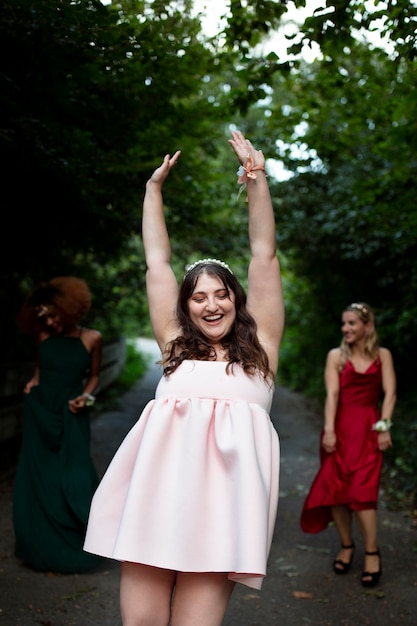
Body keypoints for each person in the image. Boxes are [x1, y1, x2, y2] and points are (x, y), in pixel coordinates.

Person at [84, 130, 285, 625]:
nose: (211, 304)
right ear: (186, 306)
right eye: (198, 296)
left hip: (221, 520)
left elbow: (264, 255)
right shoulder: (174, 346)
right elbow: (158, 262)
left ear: (237, 300)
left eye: (221, 294)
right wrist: (153, 191)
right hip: (154, 506)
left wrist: (256, 181)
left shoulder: (262, 351)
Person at [300, 302, 396, 588]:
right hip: (339, 430)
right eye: (344, 323)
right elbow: (332, 395)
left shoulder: (383, 355)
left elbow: (390, 393)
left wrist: (383, 427)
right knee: (337, 491)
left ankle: (372, 552)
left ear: (367, 326)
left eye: (352, 323)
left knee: (364, 494)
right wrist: (329, 430)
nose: (346, 329)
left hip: (369, 429)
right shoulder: (336, 356)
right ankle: (346, 545)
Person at [13, 276, 103, 573]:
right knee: (39, 475)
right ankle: (41, 544)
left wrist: (86, 397)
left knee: (74, 473)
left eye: (54, 315)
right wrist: (33, 383)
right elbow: (41, 370)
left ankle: (84, 536)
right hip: (41, 412)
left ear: (70, 309)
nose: (50, 322)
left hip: (72, 411)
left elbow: (93, 377)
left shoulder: (92, 338)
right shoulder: (42, 336)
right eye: (44, 316)